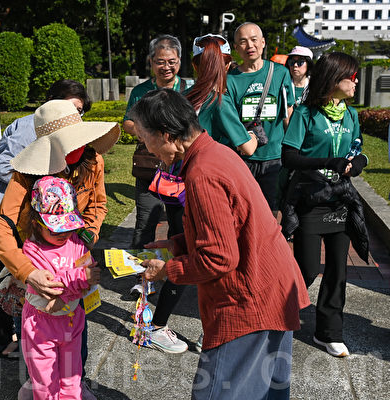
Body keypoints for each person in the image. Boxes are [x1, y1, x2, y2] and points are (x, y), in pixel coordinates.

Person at [130, 89, 310, 400]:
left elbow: (218, 257)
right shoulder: (216, 152)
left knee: (218, 393)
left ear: (166, 134)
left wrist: (167, 271)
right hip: (274, 286)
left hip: (250, 296)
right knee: (267, 391)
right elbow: (232, 225)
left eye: (145, 138)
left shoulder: (202, 172)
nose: (145, 147)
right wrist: (177, 244)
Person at [0, 99, 120, 400]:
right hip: (37, 260)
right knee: (39, 333)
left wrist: (85, 237)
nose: (76, 150)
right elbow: (2, 227)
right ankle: (41, 385)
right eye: (66, 146)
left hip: (76, 254)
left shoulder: (93, 161)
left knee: (77, 325)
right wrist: (28, 272)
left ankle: (75, 382)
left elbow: (98, 204)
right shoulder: (26, 173)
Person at [0, 80, 91, 358]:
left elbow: (95, 202)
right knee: (4, 281)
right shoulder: (32, 129)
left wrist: (84, 236)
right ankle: (1, 341)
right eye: (69, 106)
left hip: (44, 219)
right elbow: (1, 168)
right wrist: (37, 179)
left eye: (79, 110)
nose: (75, 115)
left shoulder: (83, 151)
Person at [282, 52, 369, 357]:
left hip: (340, 200)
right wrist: (327, 161)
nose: (355, 83)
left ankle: (328, 332)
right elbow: (289, 157)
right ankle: (277, 313)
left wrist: (358, 162)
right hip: (310, 200)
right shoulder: (306, 114)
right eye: (352, 77)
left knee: (338, 270)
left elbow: (358, 150)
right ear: (335, 79)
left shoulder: (351, 115)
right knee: (306, 269)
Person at [121, 34, 189, 354]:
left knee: (179, 227)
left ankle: (172, 271)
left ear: (179, 62)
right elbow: (129, 123)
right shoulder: (140, 90)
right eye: (160, 61)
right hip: (150, 168)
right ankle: (143, 274)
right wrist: (153, 129)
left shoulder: (187, 88)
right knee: (145, 223)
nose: (166, 67)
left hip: (179, 171)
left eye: (172, 61)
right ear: (151, 62)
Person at [20, 176, 101, 399]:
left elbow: (87, 275)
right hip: (40, 327)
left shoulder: (75, 242)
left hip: (72, 321)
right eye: (56, 230)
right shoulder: (32, 250)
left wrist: (80, 282)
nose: (63, 234)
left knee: (72, 378)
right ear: (37, 223)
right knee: (45, 383)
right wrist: (80, 279)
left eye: (68, 226)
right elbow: (50, 286)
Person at [227, 22, 295, 211]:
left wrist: (293, 151)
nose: (250, 45)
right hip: (242, 158)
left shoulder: (280, 73)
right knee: (242, 211)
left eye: (254, 40)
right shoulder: (230, 79)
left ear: (263, 42)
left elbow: (287, 113)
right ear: (236, 48)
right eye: (243, 41)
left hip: (274, 156)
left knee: (269, 211)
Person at [186, 34, 257, 156]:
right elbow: (247, 148)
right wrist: (253, 135)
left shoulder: (182, 96)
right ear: (227, 66)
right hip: (209, 169)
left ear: (195, 66)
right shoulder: (219, 101)